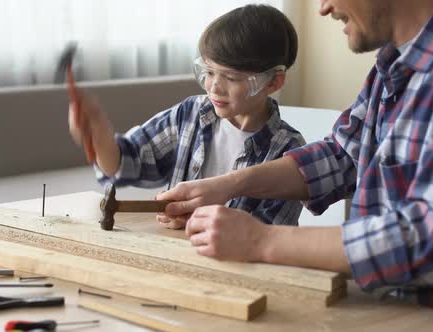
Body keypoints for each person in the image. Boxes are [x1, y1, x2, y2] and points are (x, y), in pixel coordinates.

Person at [157, 0, 433, 320]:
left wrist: (260, 240)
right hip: (388, 312)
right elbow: (340, 155)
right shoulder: (395, 61)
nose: (323, 7)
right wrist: (227, 185)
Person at [69, 4, 305, 229]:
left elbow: (268, 235)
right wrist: (99, 133)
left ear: (273, 81)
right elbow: (126, 163)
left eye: (231, 78)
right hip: (174, 254)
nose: (214, 87)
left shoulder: (288, 153)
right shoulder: (190, 115)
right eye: (209, 71)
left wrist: (199, 220)